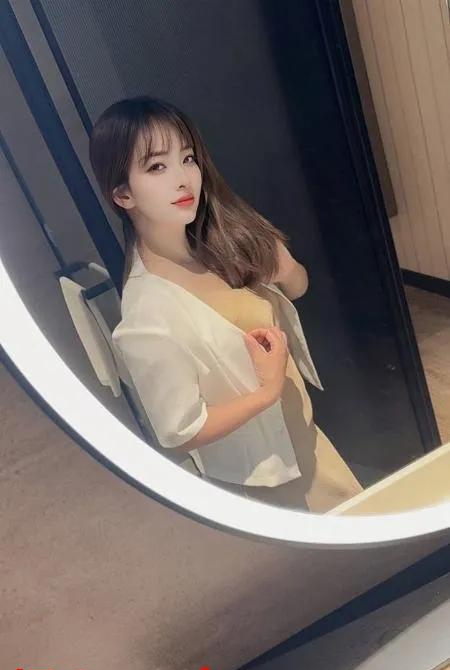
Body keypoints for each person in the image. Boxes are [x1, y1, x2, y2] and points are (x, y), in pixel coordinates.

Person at [89, 95, 362, 512]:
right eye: (157, 167)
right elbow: (180, 431)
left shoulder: (220, 237)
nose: (183, 179)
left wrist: (288, 269)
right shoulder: (148, 315)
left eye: (187, 159)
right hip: (270, 478)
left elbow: (297, 287)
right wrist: (267, 391)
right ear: (123, 194)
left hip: (309, 440)